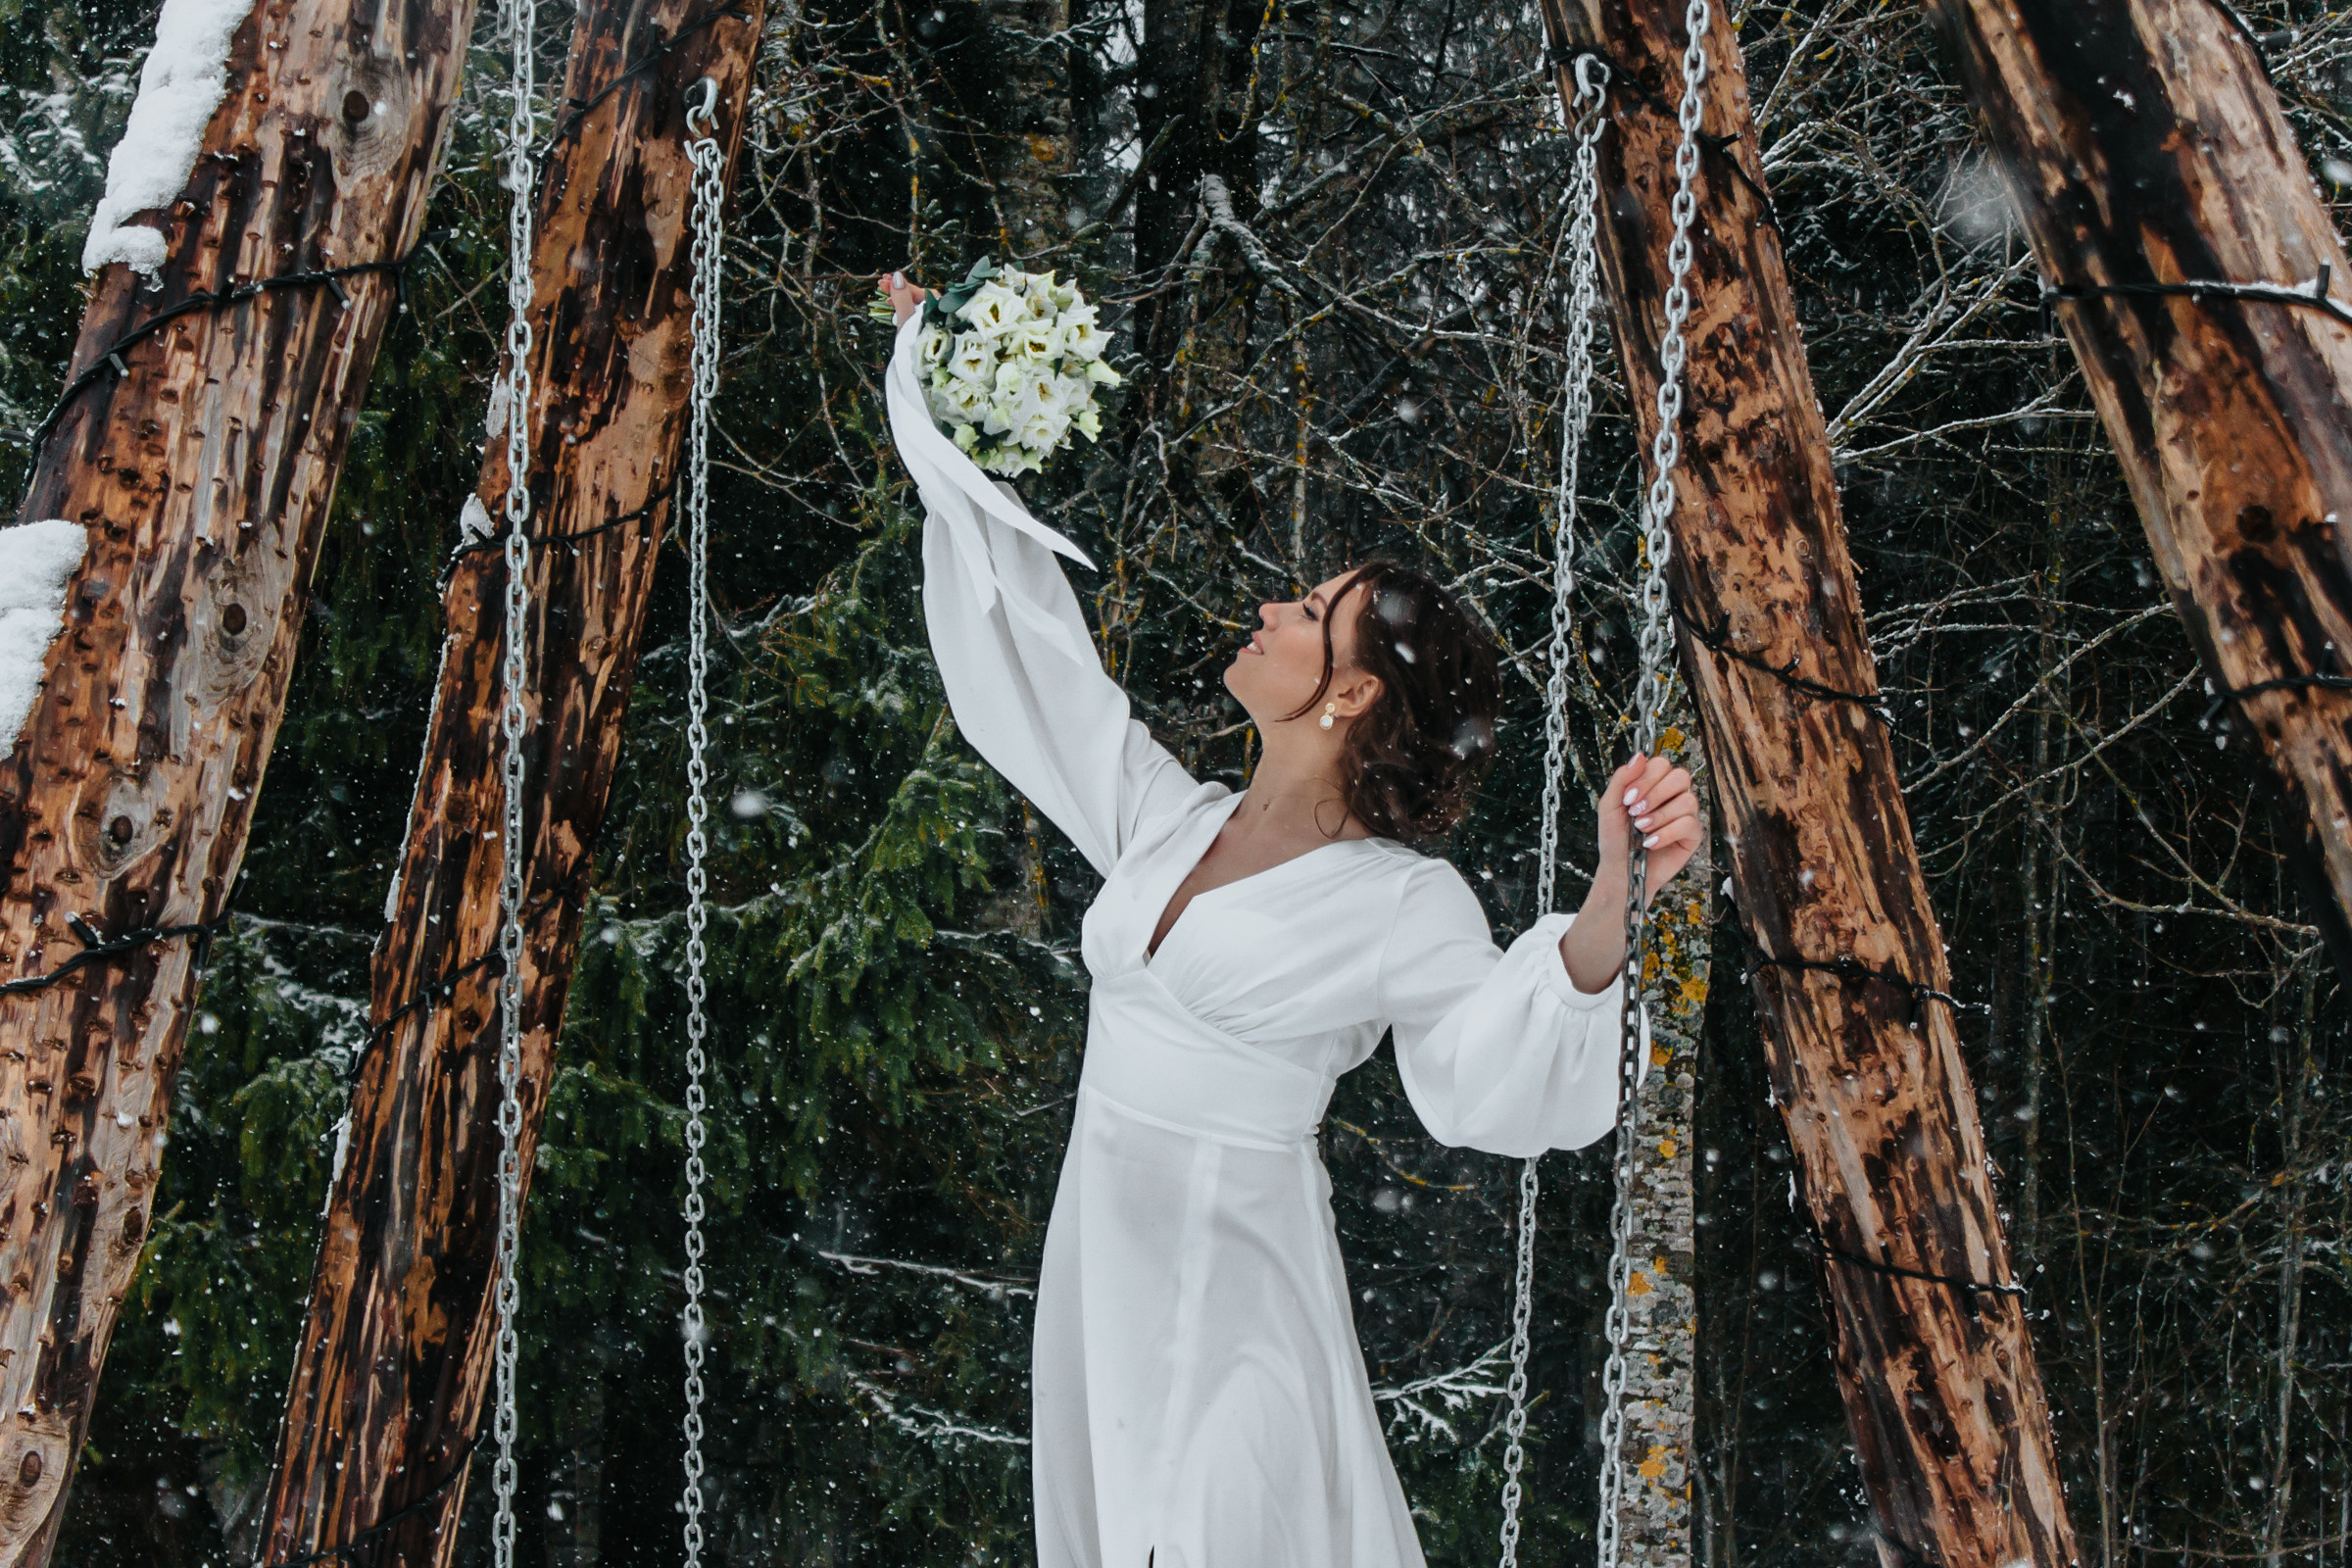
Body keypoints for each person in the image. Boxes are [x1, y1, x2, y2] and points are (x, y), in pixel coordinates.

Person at [881, 274, 1699, 1568]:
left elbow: (1489, 1063)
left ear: (1353, 695)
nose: (1274, 610)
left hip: (1243, 1305)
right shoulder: (1167, 820)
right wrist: (957, 403)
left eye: (1312, 614)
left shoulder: (1398, 900)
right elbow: (1039, 670)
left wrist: (1616, 896)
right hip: (1104, 1283)